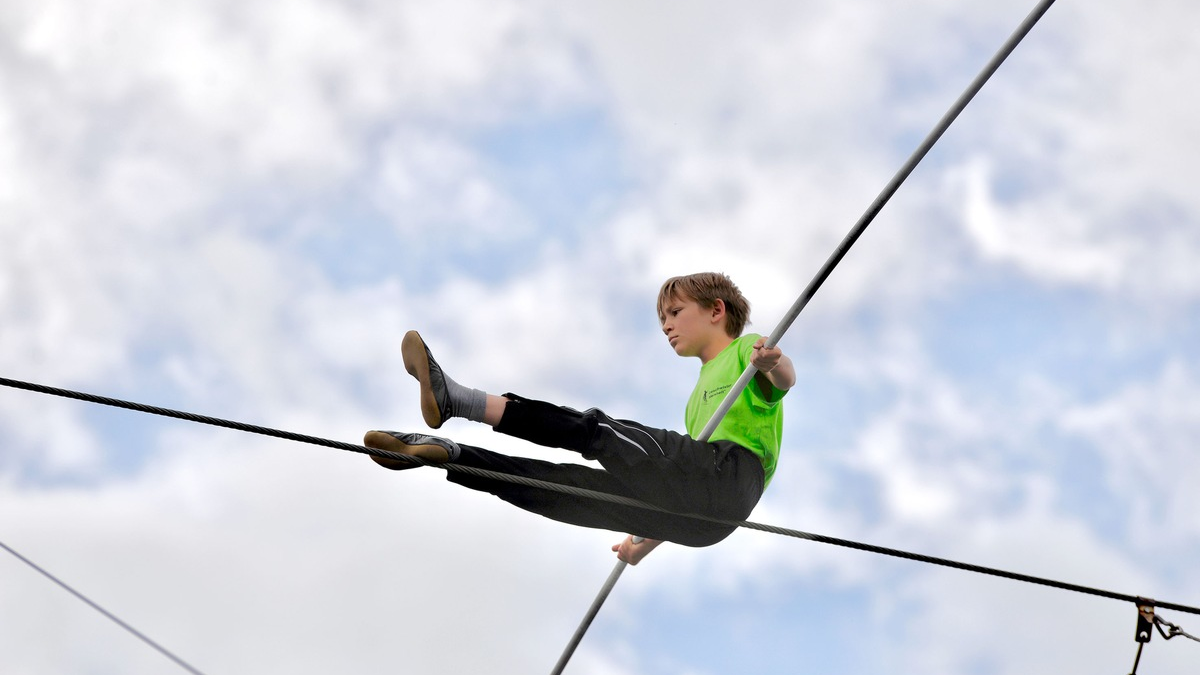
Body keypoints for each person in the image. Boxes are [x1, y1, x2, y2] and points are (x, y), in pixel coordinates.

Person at [364, 272, 795, 565]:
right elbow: (679, 481)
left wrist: (771, 360)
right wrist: (642, 546)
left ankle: (459, 401)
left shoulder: (747, 351)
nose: (666, 325)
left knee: (596, 431)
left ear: (716, 311)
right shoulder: (695, 402)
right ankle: (454, 456)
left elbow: (784, 381)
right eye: (662, 319)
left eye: (675, 313)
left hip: (732, 476)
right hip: (706, 520)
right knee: (564, 491)